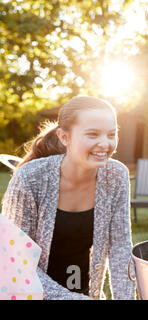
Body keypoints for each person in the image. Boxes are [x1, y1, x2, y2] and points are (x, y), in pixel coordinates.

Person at [1, 96, 136, 300]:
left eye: (111, 134)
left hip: (84, 293)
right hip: (27, 294)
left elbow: (120, 248)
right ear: (65, 137)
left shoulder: (116, 176)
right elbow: (15, 261)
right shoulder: (30, 178)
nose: (105, 143)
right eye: (92, 134)